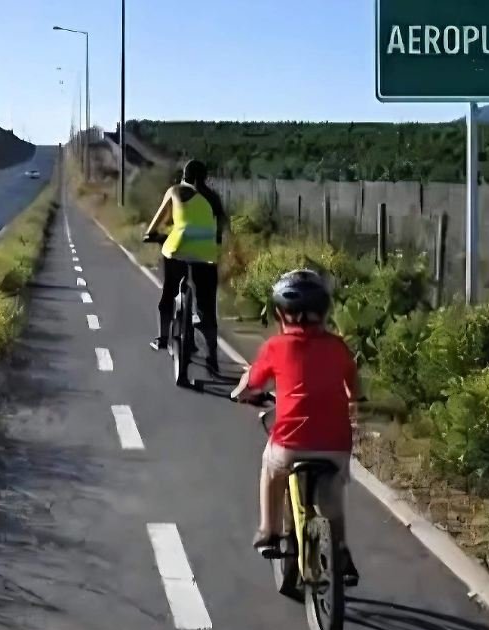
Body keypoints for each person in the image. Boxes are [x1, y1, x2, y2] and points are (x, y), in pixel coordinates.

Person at [231, 269, 359, 583]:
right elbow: (355, 389)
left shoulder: (276, 347)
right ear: (325, 311)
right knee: (332, 499)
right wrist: (356, 398)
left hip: (290, 444)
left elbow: (253, 382)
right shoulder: (338, 347)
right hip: (336, 444)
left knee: (271, 468)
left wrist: (240, 393)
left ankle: (269, 532)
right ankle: (340, 551)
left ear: (279, 313)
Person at [142, 159, 228, 374]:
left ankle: (162, 338)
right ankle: (212, 357)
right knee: (207, 308)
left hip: (178, 250)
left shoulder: (176, 191)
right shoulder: (214, 198)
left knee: (169, 293)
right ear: (205, 177)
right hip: (208, 255)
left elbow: (157, 223)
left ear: (184, 175)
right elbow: (220, 230)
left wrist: (151, 235)